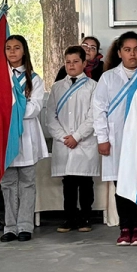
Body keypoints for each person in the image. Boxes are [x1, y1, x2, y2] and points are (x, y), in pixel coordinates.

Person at [93, 32, 137, 246]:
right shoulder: (108, 78)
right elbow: (98, 110)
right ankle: (126, 227)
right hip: (116, 140)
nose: (132, 54)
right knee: (121, 184)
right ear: (119, 53)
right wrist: (102, 138)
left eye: (136, 49)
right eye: (127, 49)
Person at [0, 35, 48, 243]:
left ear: (24, 51)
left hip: (26, 135)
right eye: (8, 48)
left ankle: (25, 226)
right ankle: (9, 226)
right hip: (5, 137)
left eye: (16, 48)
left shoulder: (34, 79)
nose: (12, 52)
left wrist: (11, 109)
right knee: (8, 183)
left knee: (27, 182)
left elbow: (34, 108)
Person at [48, 46, 99, 233]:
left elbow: (94, 116)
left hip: (84, 142)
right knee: (68, 183)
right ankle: (69, 218)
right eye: (68, 62)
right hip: (64, 143)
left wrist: (77, 136)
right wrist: (64, 137)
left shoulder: (94, 86)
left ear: (84, 63)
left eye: (76, 61)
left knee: (85, 182)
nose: (71, 65)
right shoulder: (57, 87)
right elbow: (50, 116)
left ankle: (86, 217)